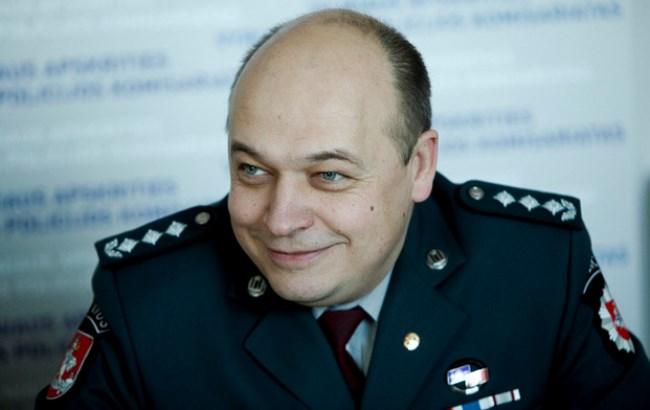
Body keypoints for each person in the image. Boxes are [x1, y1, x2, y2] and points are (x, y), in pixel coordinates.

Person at [36, 8, 650, 409]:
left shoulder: (539, 267)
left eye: (329, 175)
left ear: (419, 166)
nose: (280, 219)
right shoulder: (148, 302)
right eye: (252, 170)